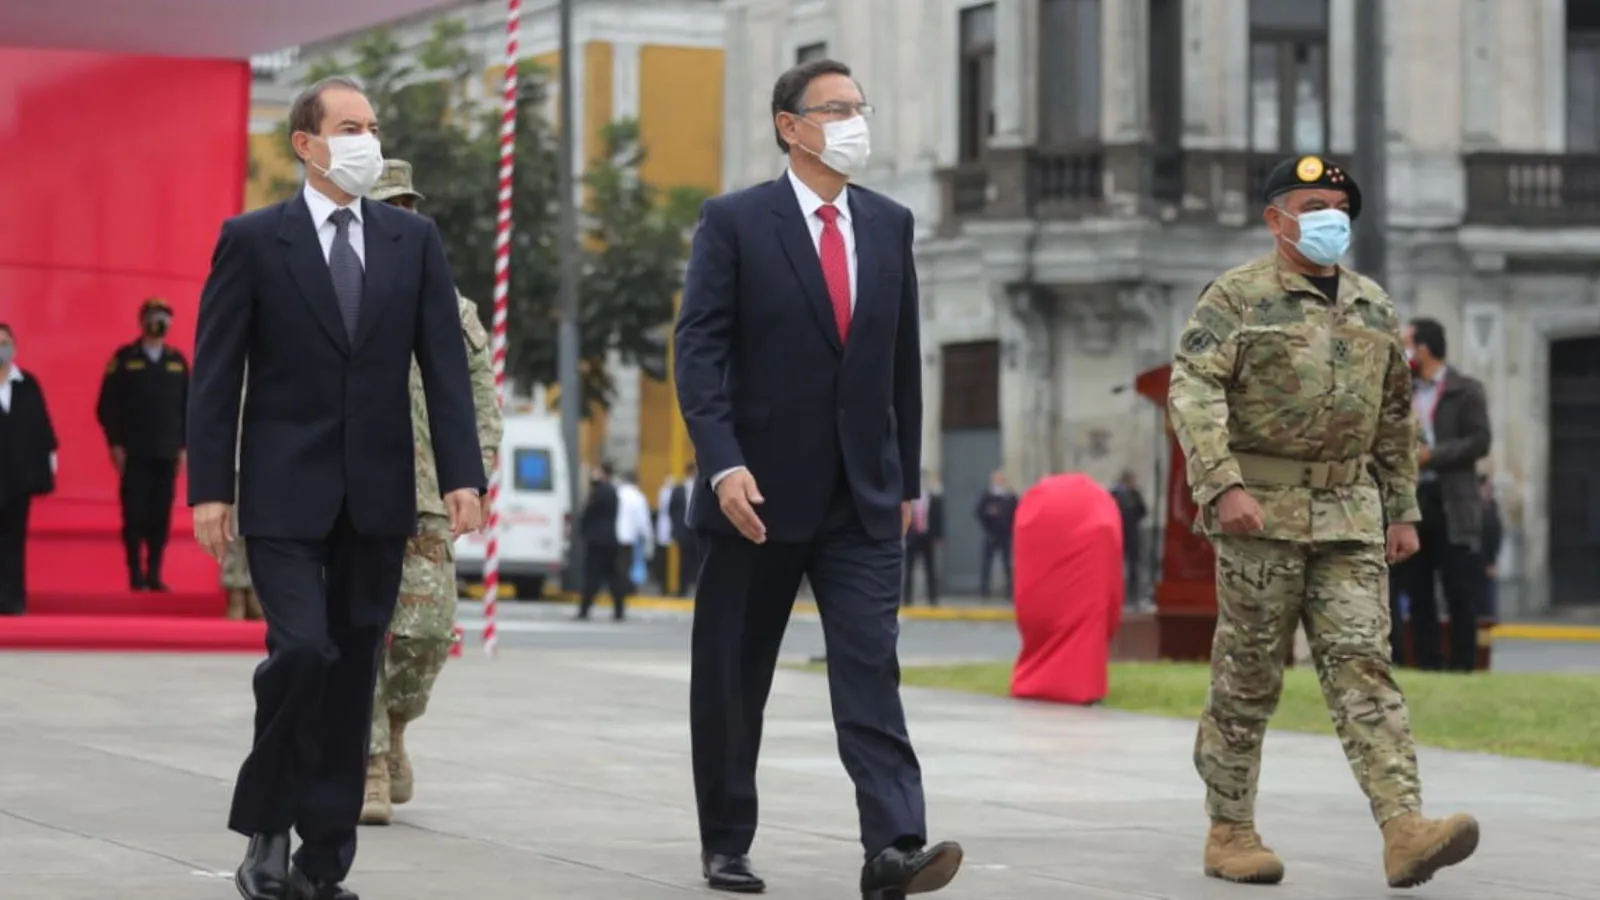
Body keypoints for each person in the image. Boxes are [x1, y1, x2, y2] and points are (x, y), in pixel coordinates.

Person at [186, 76, 484, 900]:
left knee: (355, 668)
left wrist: (464, 475)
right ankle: (266, 829)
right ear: (306, 145)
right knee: (303, 653)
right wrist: (210, 488)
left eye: (374, 126)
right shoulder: (252, 240)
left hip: (379, 493)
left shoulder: (410, 241)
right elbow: (216, 373)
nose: (368, 140)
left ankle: (324, 861)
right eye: (350, 127)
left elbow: (444, 369)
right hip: (283, 493)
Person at [674, 57, 961, 899]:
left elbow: (898, 362)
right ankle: (726, 841)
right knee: (734, 678)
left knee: (871, 670)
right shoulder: (733, 222)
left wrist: (904, 478)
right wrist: (722, 462)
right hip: (754, 496)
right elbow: (699, 353)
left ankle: (894, 848)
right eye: (834, 109)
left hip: (861, 500)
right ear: (788, 126)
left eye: (859, 107)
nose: (852, 122)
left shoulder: (890, 223)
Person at [1167, 154, 1478, 890]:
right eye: (1313, 204)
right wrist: (1222, 484)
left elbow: (1396, 417)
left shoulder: (1373, 305)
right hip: (1258, 517)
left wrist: (1401, 509)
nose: (1330, 217)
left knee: (1365, 669)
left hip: (1348, 517)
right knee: (1247, 679)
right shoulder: (1236, 299)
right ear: (1276, 218)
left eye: (1340, 205)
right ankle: (1230, 829)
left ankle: (1405, 828)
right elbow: (1194, 389)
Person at [360, 159, 503, 827]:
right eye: (388, 206)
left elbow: (480, 401)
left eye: (408, 206)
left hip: (427, 493)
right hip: (354, 487)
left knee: (423, 632)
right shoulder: (342, 296)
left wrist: (474, 476)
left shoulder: (453, 308)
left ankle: (395, 726)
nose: (402, 218)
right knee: (362, 629)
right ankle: (368, 764)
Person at [1389, 318, 1491, 672]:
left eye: (1406, 343)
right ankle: (1426, 663)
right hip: (1413, 498)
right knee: (1417, 588)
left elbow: (1480, 441)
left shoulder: (1465, 390)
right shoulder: (1404, 390)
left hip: (1451, 499)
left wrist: (1434, 455)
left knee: (1457, 589)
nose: (1402, 351)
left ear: (1424, 349)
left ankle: (1463, 665)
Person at [96, 296, 188, 591]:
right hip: (134, 452)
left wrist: (185, 447)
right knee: (134, 513)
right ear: (142, 320)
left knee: (160, 514)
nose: (159, 321)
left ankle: (154, 573)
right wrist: (115, 443)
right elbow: (107, 405)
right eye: (153, 315)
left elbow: (190, 408)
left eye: (164, 316)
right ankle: (135, 574)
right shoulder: (124, 359)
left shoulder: (177, 362)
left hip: (167, 451)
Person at [0, 324, 58, 615]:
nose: (2, 349)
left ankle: (12, 601)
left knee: (13, 542)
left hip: (17, 480)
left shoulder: (27, 384)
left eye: (6, 342)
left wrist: (47, 470)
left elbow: (42, 430)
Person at [576, 462, 628, 620]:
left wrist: (583, 529)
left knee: (592, 577)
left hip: (598, 541)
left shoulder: (600, 492)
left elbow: (589, 513)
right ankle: (619, 610)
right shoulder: (612, 491)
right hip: (609, 539)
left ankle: (584, 610)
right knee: (613, 577)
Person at [974, 468, 1017, 600]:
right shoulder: (987, 495)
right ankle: (984, 591)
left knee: (1007, 563)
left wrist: (1011, 527)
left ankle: (1010, 591)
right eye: (996, 478)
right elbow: (979, 511)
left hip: (1005, 534)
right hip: (991, 533)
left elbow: (1016, 512)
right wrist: (987, 525)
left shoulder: (1009, 496)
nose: (998, 481)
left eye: (1000, 478)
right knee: (987, 563)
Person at [903, 469, 943, 606]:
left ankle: (933, 599)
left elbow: (938, 518)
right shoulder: (909, 499)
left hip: (927, 537)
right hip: (912, 537)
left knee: (930, 569)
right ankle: (907, 599)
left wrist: (938, 536)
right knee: (909, 569)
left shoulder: (933, 498)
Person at [1109, 469, 1148, 606]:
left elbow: (1143, 511)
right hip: (1122, 533)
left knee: (1132, 565)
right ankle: (1125, 595)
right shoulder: (1115, 494)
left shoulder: (1133, 494)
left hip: (1128, 534)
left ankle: (1132, 595)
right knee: (1122, 565)